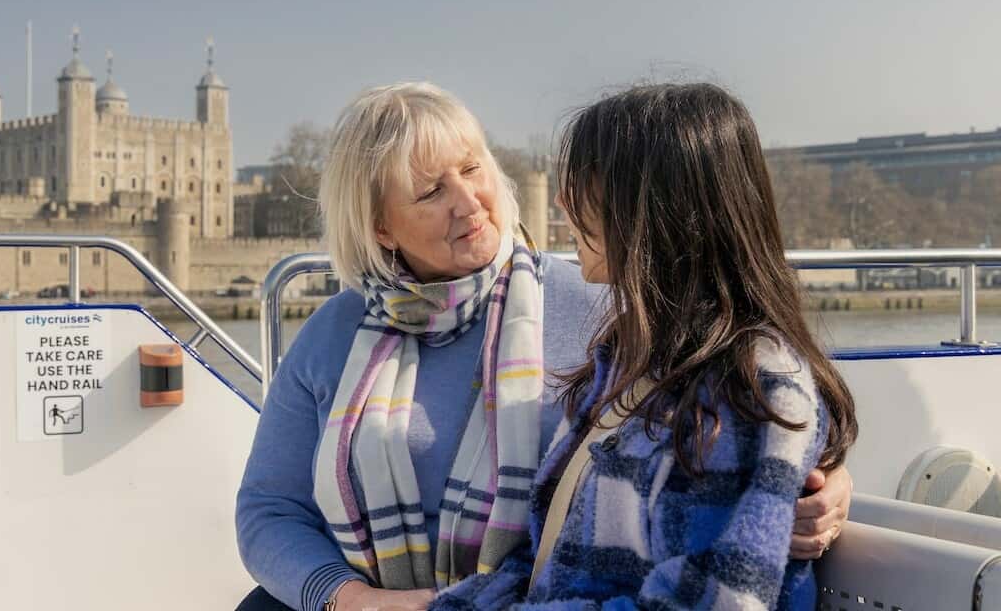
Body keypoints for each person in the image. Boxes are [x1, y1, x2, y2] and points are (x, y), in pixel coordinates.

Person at [236, 82, 852, 611]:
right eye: (429, 192)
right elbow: (268, 508)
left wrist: (819, 481)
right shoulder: (332, 334)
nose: (468, 200)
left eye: (473, 168)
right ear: (378, 225)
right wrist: (348, 598)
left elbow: (753, 432)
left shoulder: (607, 307)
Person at [429, 83, 859, 610]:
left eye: (587, 183)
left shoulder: (750, 390)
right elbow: (546, 560)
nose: (563, 201)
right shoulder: (627, 360)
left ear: (655, 207)